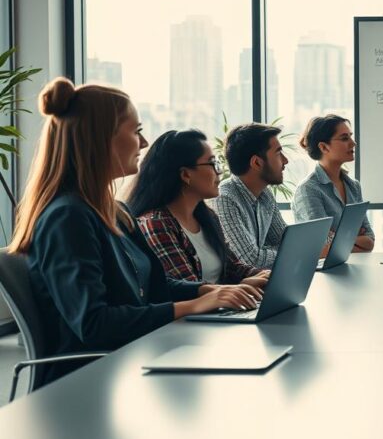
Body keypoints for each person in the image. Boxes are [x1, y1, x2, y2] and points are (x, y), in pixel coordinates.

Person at [9, 79, 262, 387]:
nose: (143, 143)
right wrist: (192, 306)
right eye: (135, 131)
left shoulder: (116, 211)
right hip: (89, 381)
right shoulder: (67, 218)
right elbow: (94, 324)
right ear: (101, 140)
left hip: (132, 359)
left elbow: (154, 284)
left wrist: (201, 291)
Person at [127, 129, 271, 286]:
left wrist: (265, 275)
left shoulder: (207, 217)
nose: (220, 171)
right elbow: (189, 288)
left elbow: (232, 267)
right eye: (212, 163)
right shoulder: (156, 223)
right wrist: (243, 286)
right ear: (186, 175)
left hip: (226, 308)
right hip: (201, 310)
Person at [209, 123, 289, 270]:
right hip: (238, 289)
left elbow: (287, 241)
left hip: (261, 282)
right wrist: (288, 252)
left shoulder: (265, 194)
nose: (285, 161)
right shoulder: (224, 198)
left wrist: (272, 251)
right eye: (278, 153)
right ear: (257, 162)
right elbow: (251, 261)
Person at [292, 114, 374, 257]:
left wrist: (334, 237)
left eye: (350, 136)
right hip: (323, 274)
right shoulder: (308, 190)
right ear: (324, 147)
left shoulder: (354, 186)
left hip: (354, 268)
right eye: (344, 138)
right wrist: (353, 237)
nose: (353, 143)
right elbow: (321, 247)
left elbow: (370, 240)